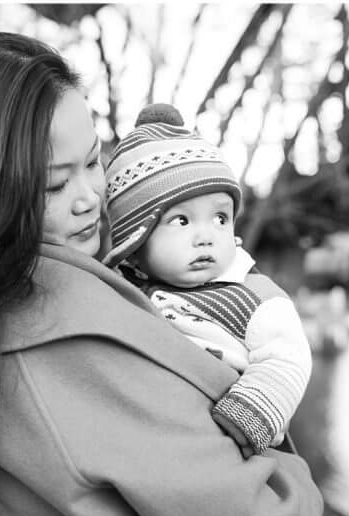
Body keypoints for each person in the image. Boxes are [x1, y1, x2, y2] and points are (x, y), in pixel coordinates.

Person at [0, 31, 321, 516]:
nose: (90, 199)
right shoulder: (65, 334)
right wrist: (292, 471)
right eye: (52, 186)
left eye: (92, 162)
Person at [103, 103, 312, 458]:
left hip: (233, 441)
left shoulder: (251, 296)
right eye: (182, 221)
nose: (207, 236)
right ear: (135, 244)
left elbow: (288, 358)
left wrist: (248, 419)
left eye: (220, 218)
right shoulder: (123, 291)